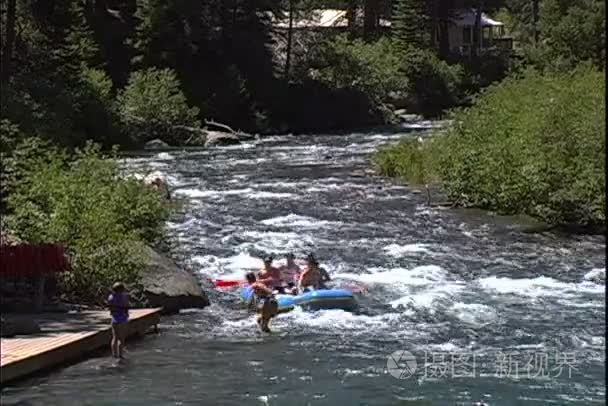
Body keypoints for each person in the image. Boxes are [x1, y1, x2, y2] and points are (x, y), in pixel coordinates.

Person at [107, 282, 129, 359]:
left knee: (115, 338)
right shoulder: (124, 297)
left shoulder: (110, 297)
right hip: (122, 319)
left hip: (114, 319)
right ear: (121, 289)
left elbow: (110, 308)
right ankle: (120, 355)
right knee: (121, 338)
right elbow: (126, 307)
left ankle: (114, 355)